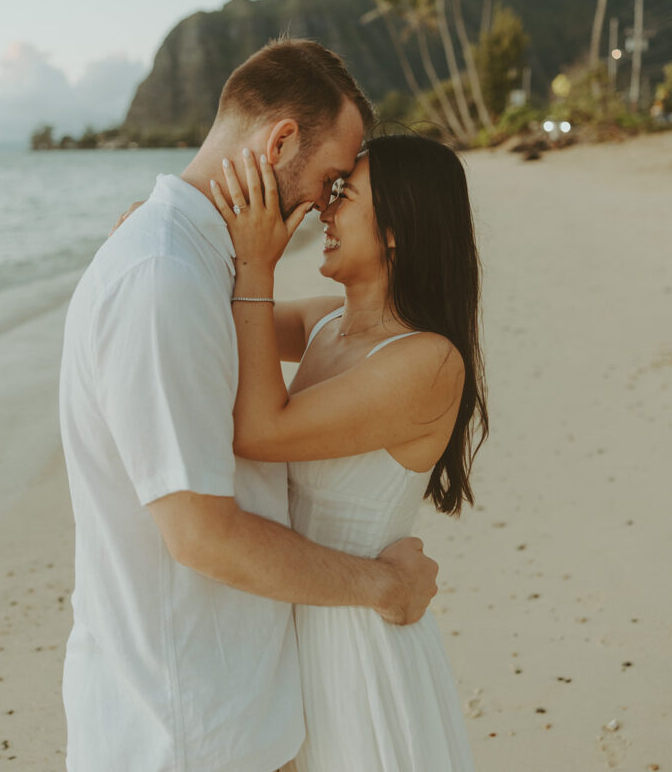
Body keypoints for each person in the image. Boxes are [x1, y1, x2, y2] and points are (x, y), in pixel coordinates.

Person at [59, 39, 440, 772]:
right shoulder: (164, 278)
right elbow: (202, 536)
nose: (325, 204)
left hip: (232, 706)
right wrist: (382, 584)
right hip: (182, 727)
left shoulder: (202, 267)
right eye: (332, 179)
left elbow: (339, 335)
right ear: (281, 141)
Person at [208, 132, 489, 771]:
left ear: (395, 228)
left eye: (343, 196)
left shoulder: (427, 360)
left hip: (353, 641)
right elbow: (207, 310)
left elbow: (258, 431)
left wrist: (258, 264)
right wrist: (159, 231)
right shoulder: (325, 325)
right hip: (283, 625)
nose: (323, 213)